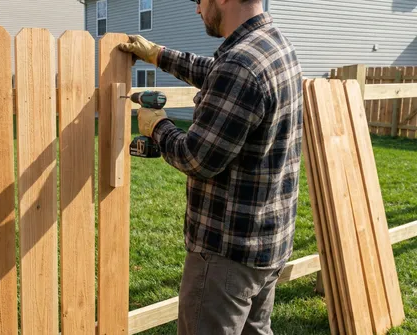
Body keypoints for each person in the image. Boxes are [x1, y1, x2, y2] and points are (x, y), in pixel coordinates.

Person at [118, 0, 303, 334]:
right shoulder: (272, 44)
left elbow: (197, 158)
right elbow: (220, 76)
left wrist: (157, 127)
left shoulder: (242, 64)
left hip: (227, 255)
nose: (197, 10)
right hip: (266, 243)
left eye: (199, 0)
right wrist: (158, 54)